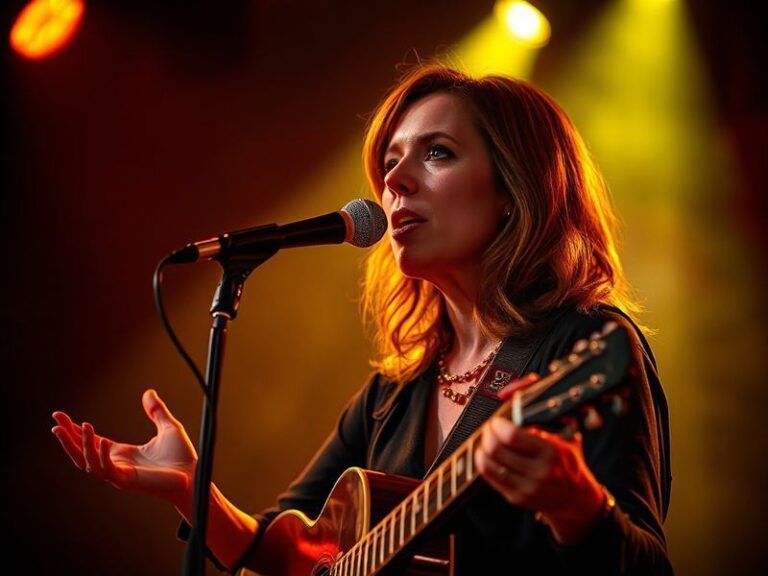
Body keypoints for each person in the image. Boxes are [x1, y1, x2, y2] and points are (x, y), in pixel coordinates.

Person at [52, 64, 672, 574]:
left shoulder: (584, 344)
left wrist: (578, 507)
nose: (395, 180)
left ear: (515, 189)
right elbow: (290, 553)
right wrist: (191, 489)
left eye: (437, 153)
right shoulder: (390, 395)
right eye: (391, 162)